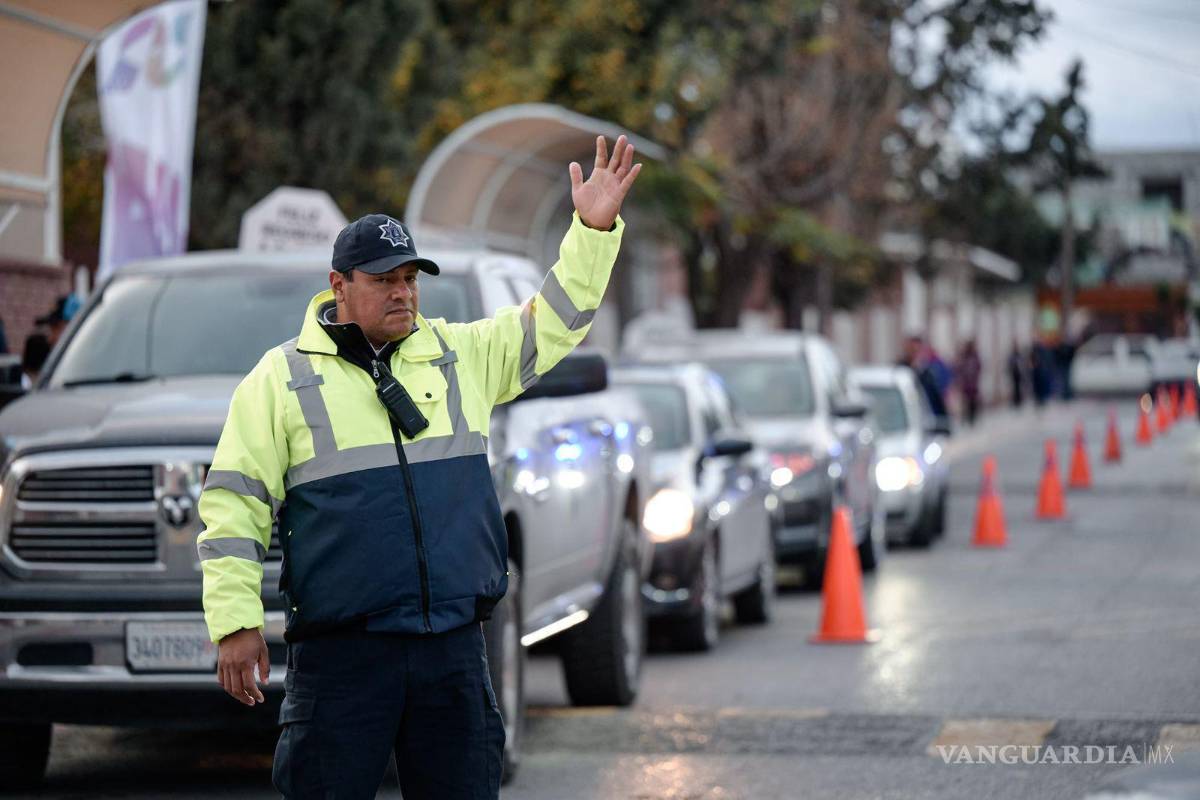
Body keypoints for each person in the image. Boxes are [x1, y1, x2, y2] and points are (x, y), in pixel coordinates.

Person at [197, 135, 641, 800]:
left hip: (452, 654)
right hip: (344, 659)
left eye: (409, 279)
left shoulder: (461, 357)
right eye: (383, 281)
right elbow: (233, 505)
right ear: (339, 286)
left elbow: (557, 321)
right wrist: (235, 623)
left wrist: (592, 229)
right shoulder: (280, 380)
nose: (402, 293)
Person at [899, 335, 948, 420]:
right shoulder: (900, 371)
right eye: (911, 350)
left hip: (924, 417)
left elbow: (936, 400)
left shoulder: (927, 373)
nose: (914, 353)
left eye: (917, 350)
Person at [955, 339, 982, 426]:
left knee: (973, 402)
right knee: (966, 402)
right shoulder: (964, 357)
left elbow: (979, 367)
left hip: (973, 384)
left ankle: (972, 418)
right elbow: (959, 369)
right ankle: (966, 418)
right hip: (966, 384)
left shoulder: (975, 357)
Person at [1006, 342, 1024, 407]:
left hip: (1019, 373)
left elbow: (1022, 363)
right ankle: (1015, 401)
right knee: (1015, 387)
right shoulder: (1012, 356)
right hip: (1014, 373)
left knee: (1019, 387)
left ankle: (1019, 400)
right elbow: (1010, 364)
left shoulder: (1019, 355)